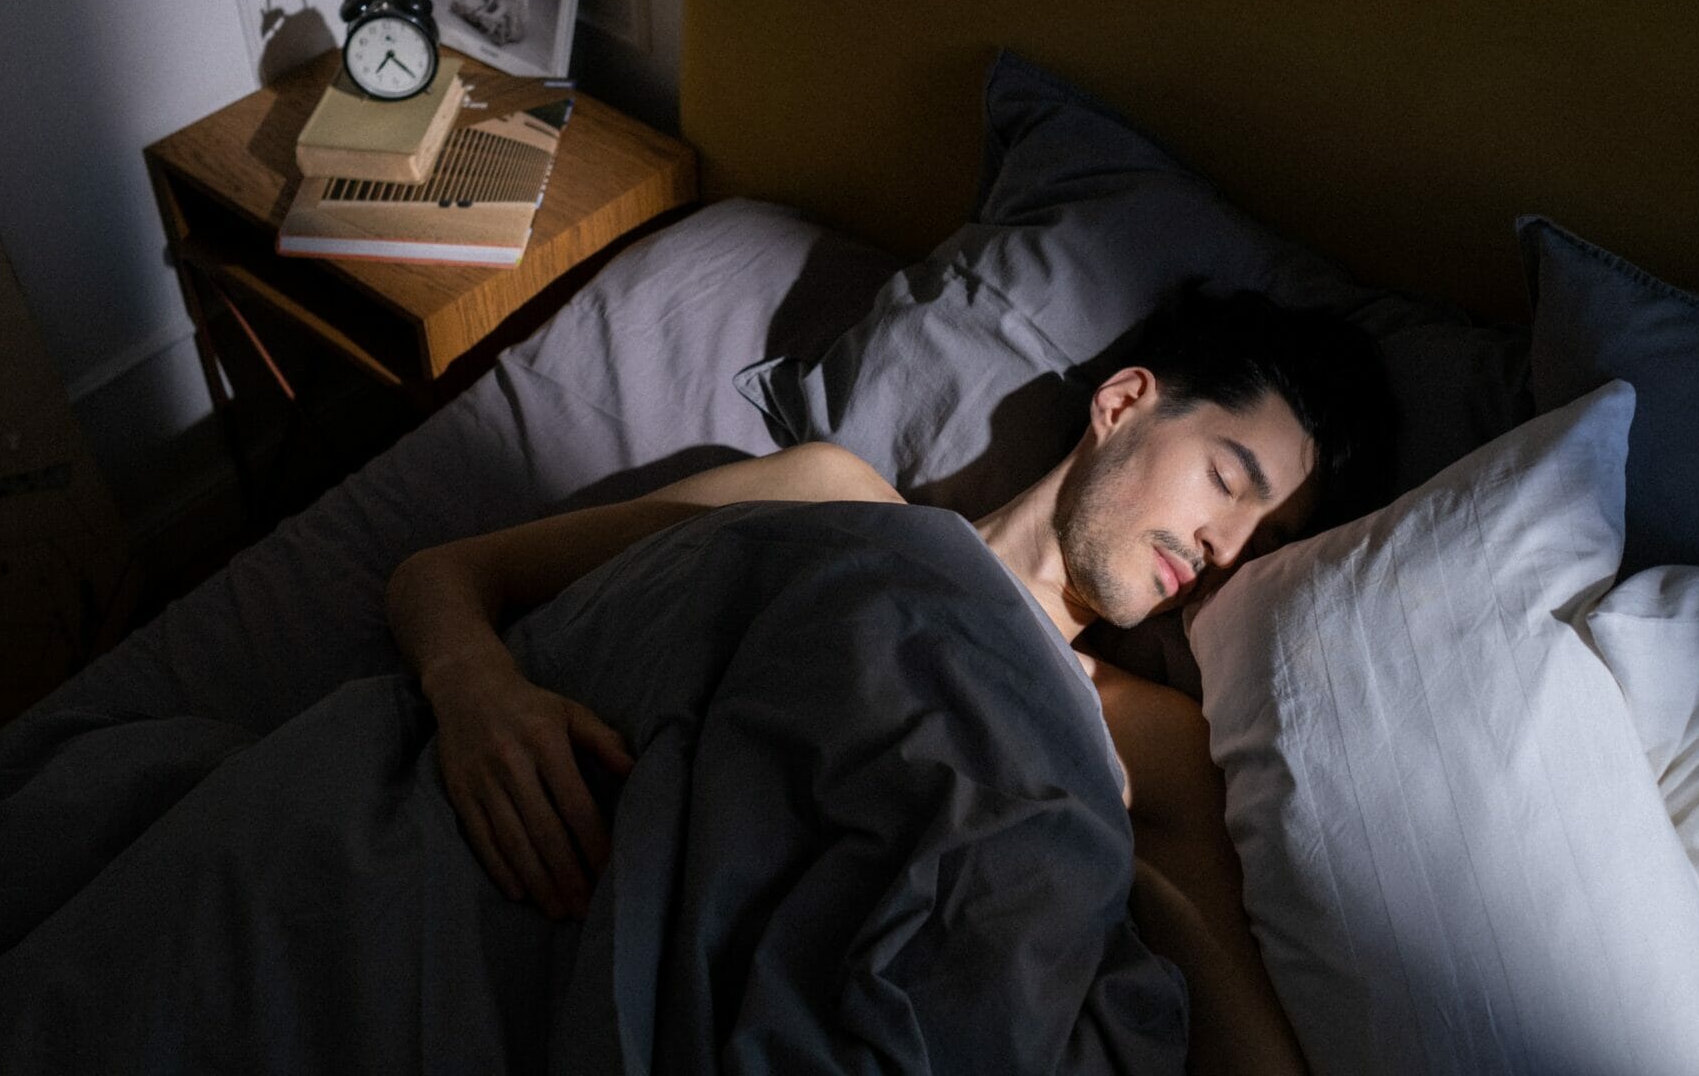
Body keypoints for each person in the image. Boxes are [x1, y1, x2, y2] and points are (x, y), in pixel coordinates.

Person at [387, 287, 1394, 1072]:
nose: (1226, 546)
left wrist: (1115, 880)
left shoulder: (1147, 734)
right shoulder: (834, 496)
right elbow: (452, 573)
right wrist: (479, 690)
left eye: (1265, 539)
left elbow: (1253, 1055)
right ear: (1125, 401)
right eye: (1228, 481)